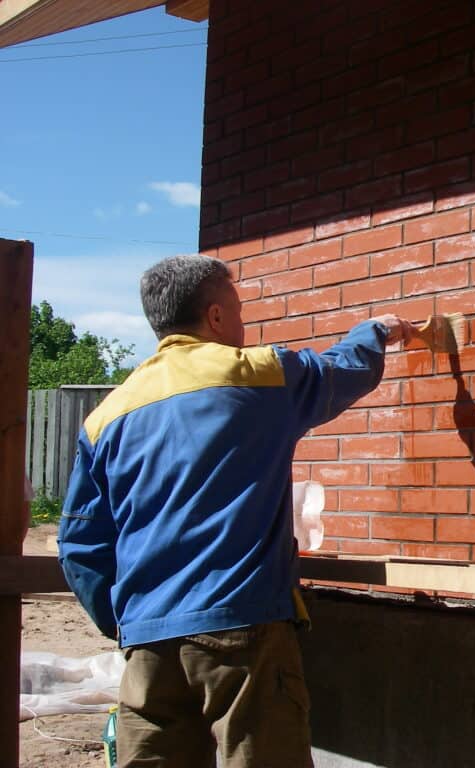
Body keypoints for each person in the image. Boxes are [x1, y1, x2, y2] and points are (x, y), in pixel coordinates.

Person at [57, 253, 412, 767]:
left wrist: (127, 624)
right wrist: (376, 330)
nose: (244, 323)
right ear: (216, 316)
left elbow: (80, 545)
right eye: (239, 309)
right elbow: (341, 370)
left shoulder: (108, 414)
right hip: (241, 631)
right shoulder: (259, 376)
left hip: (146, 644)